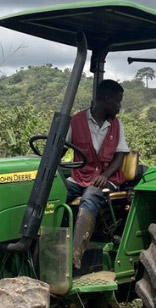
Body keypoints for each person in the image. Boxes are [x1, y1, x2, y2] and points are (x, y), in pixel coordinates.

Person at [65, 79, 129, 269]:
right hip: (80, 177)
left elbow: (120, 155)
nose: (119, 107)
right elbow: (62, 148)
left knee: (91, 195)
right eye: (117, 102)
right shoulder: (76, 121)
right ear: (106, 99)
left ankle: (74, 255)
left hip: (108, 179)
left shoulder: (116, 125)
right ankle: (48, 244)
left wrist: (106, 175)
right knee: (57, 192)